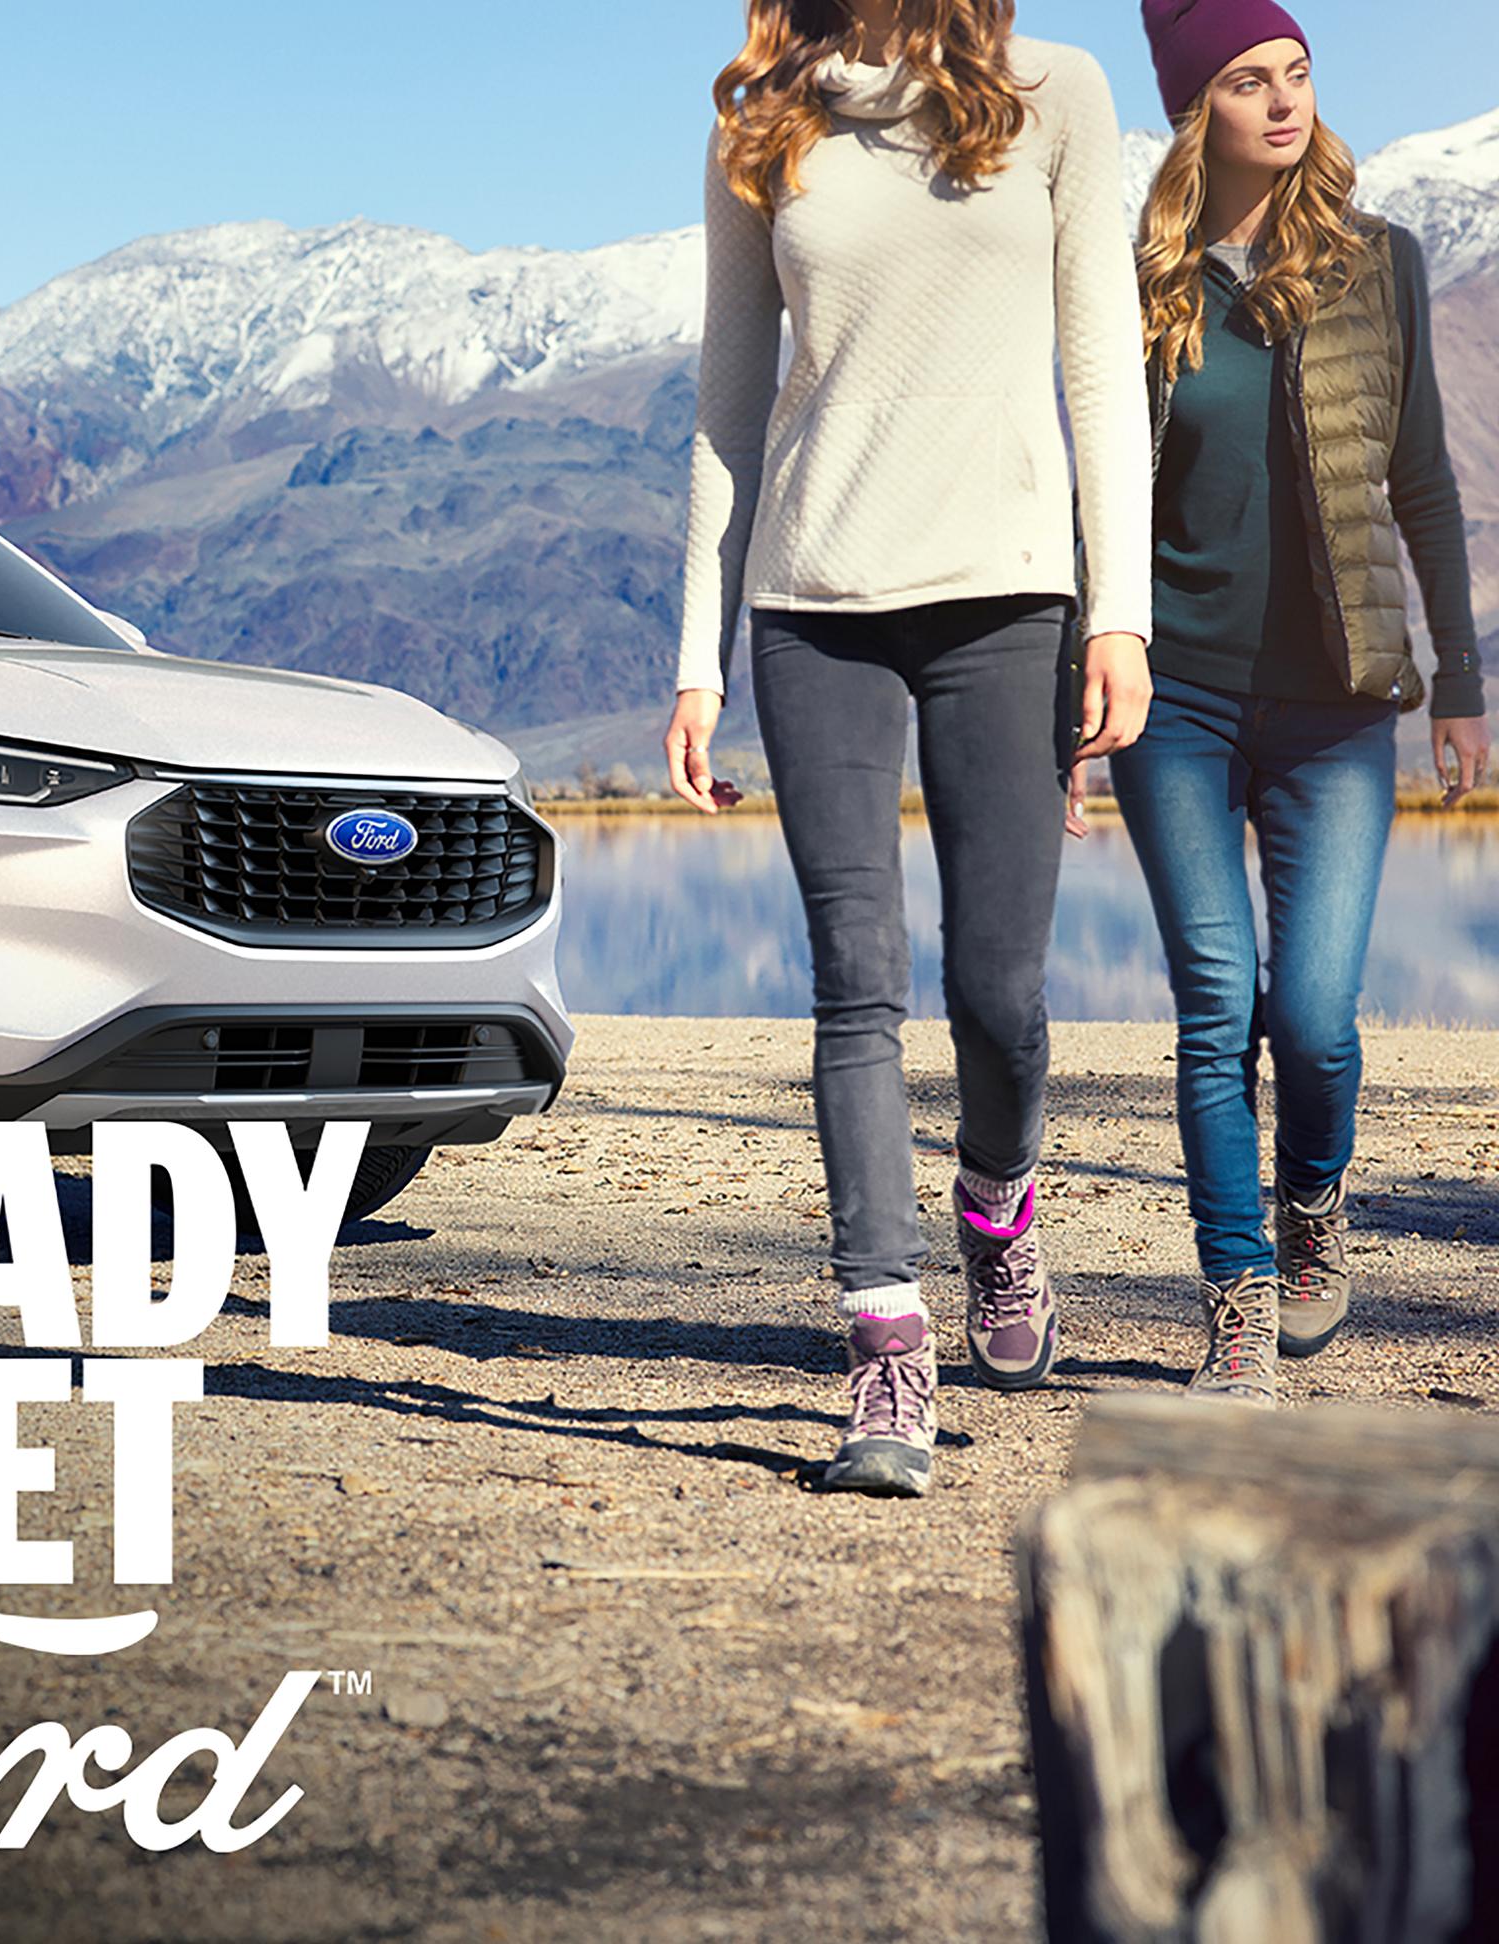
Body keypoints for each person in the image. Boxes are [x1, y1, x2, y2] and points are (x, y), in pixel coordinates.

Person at [665, 0, 1152, 1496]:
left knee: (998, 988)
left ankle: (998, 1210)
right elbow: (728, 403)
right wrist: (697, 655)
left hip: (1007, 594)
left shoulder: (1053, 90)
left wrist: (1117, 612)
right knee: (853, 980)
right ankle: (885, 1340)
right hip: (814, 602)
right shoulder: (764, 116)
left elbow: (1099, 368)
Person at [1076, 1, 1491, 1407]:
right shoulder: (1145, 281)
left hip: (1338, 704)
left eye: (1296, 74)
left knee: (1311, 1015)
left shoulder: (1381, 265)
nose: (1281, 101)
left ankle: (1316, 1207)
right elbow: (1101, 500)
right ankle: (1239, 1295)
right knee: (1214, 1004)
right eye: (1249, 81)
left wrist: (1461, 684)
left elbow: (1423, 484)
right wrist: (1073, 691)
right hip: (1174, 701)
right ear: (1200, 112)